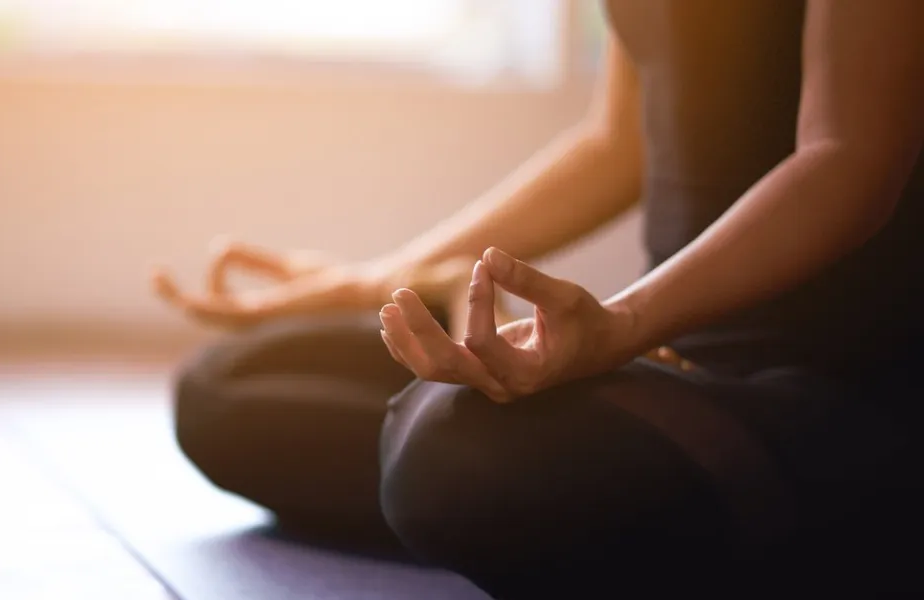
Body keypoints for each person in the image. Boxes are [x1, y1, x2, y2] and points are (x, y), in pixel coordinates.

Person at [152, 1, 924, 596]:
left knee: (449, 449)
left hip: (821, 386)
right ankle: (581, 504)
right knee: (226, 392)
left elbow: (847, 155)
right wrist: (389, 276)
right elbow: (617, 142)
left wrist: (623, 324)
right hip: (660, 360)